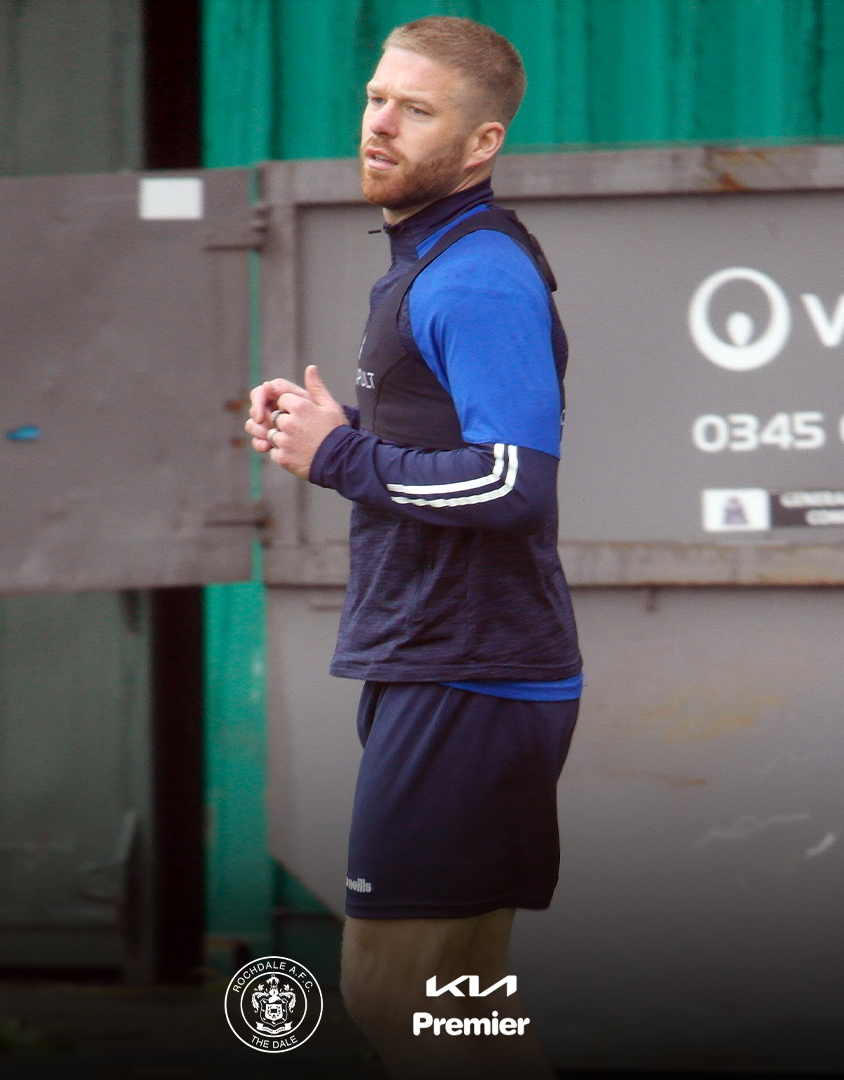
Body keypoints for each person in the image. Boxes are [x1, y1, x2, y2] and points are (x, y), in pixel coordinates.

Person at [243, 15, 579, 1078]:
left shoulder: (474, 277)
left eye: (416, 109)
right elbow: (449, 453)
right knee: (460, 1013)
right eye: (377, 98)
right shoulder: (427, 263)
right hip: (450, 667)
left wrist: (340, 456)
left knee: (400, 996)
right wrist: (333, 437)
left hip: (467, 675)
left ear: (481, 143)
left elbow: (513, 482)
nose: (379, 125)